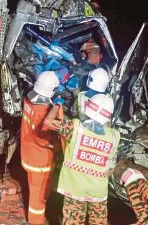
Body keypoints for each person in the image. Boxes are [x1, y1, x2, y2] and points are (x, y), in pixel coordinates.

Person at [57, 93, 121, 225]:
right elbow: (111, 166)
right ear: (108, 115)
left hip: (74, 188)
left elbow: (48, 123)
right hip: (98, 190)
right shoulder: (115, 136)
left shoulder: (74, 127)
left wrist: (57, 105)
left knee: (73, 221)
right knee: (98, 221)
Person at [21, 71, 62, 225]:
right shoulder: (42, 110)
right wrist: (55, 146)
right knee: (38, 196)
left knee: (33, 187)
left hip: (27, 154)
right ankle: (36, 221)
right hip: (40, 161)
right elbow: (42, 138)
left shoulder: (29, 100)